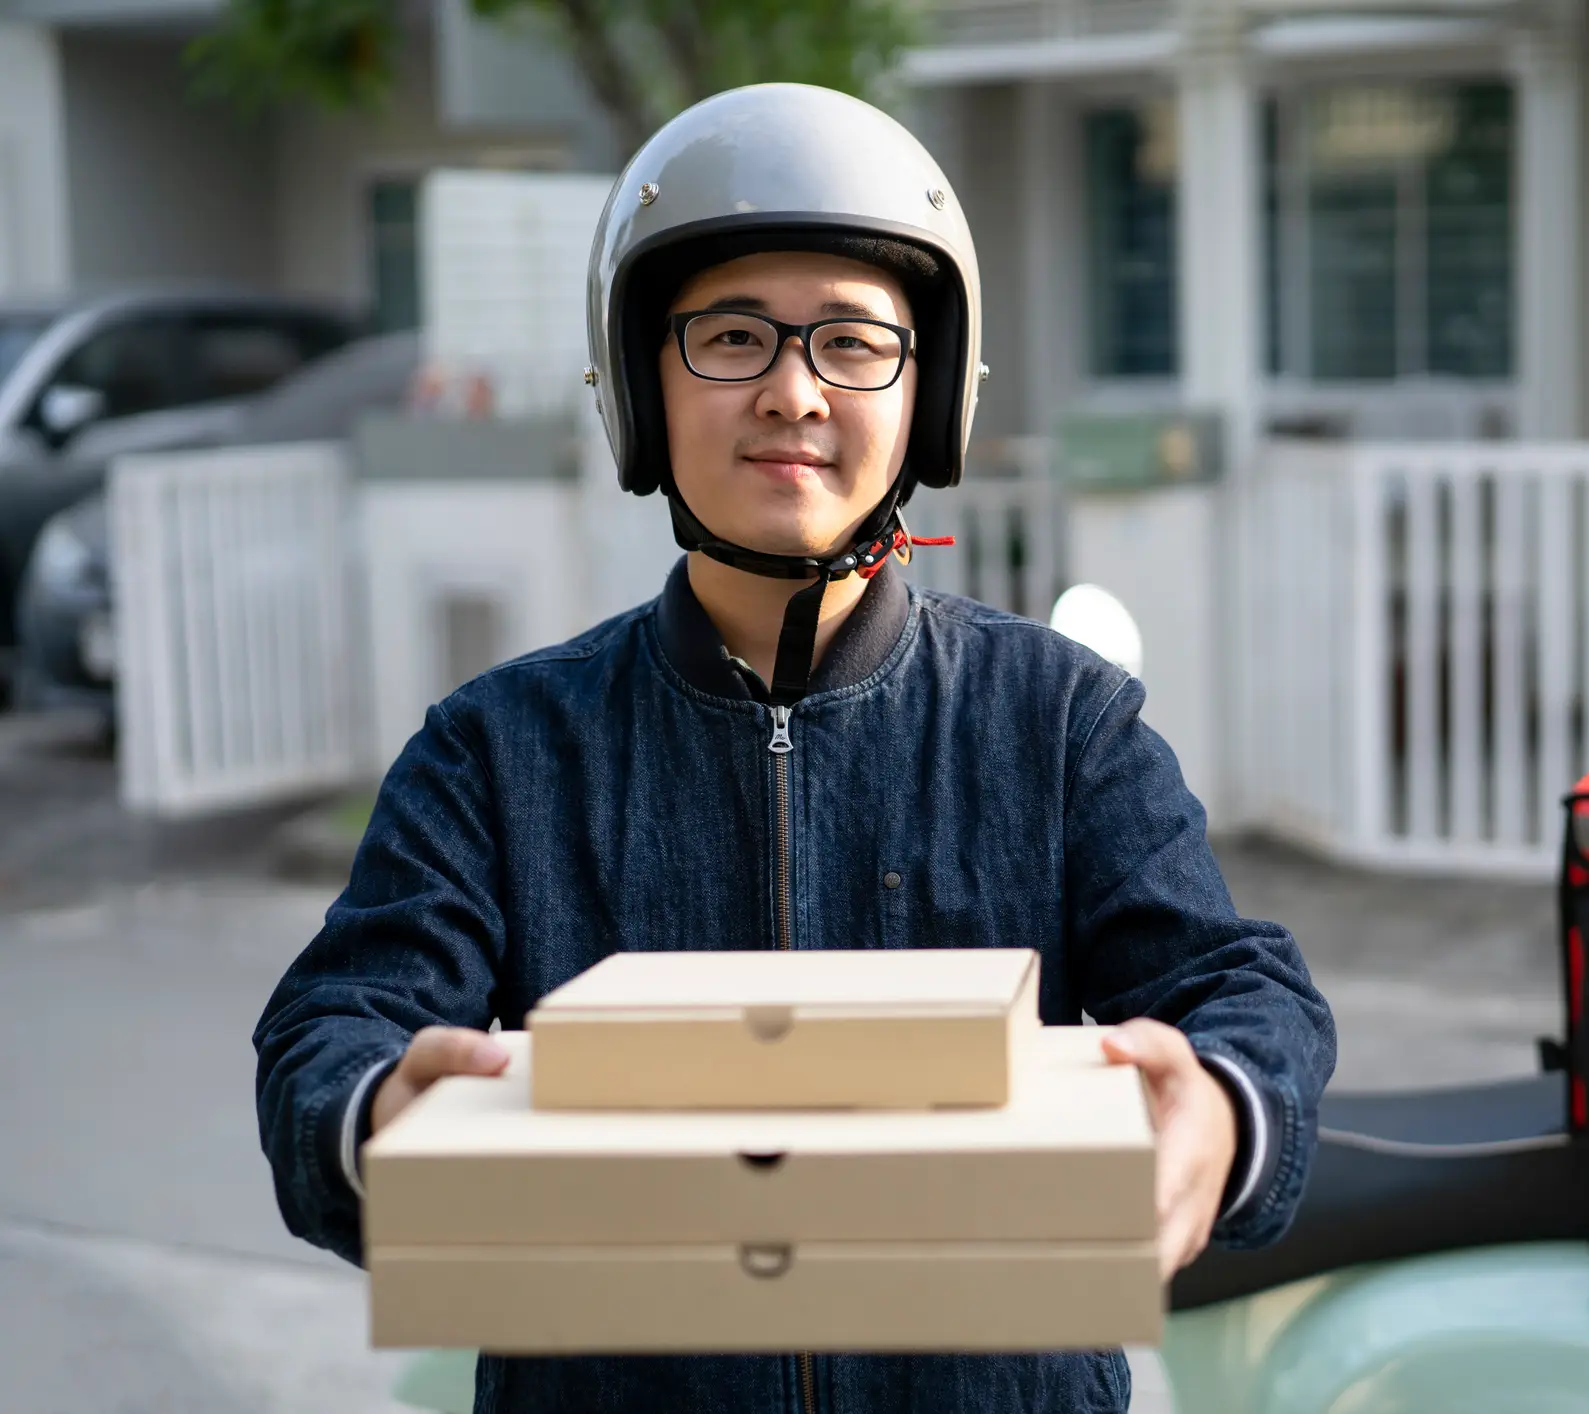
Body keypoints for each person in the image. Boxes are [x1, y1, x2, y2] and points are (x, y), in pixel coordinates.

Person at [254, 82, 1336, 1414]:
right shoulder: (499, 750)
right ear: (640, 382)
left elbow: (1242, 986)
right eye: (731, 337)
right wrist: (375, 1112)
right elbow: (332, 1027)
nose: (792, 391)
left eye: (851, 342)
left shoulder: (1058, 722)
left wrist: (1222, 1100)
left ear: (928, 391)